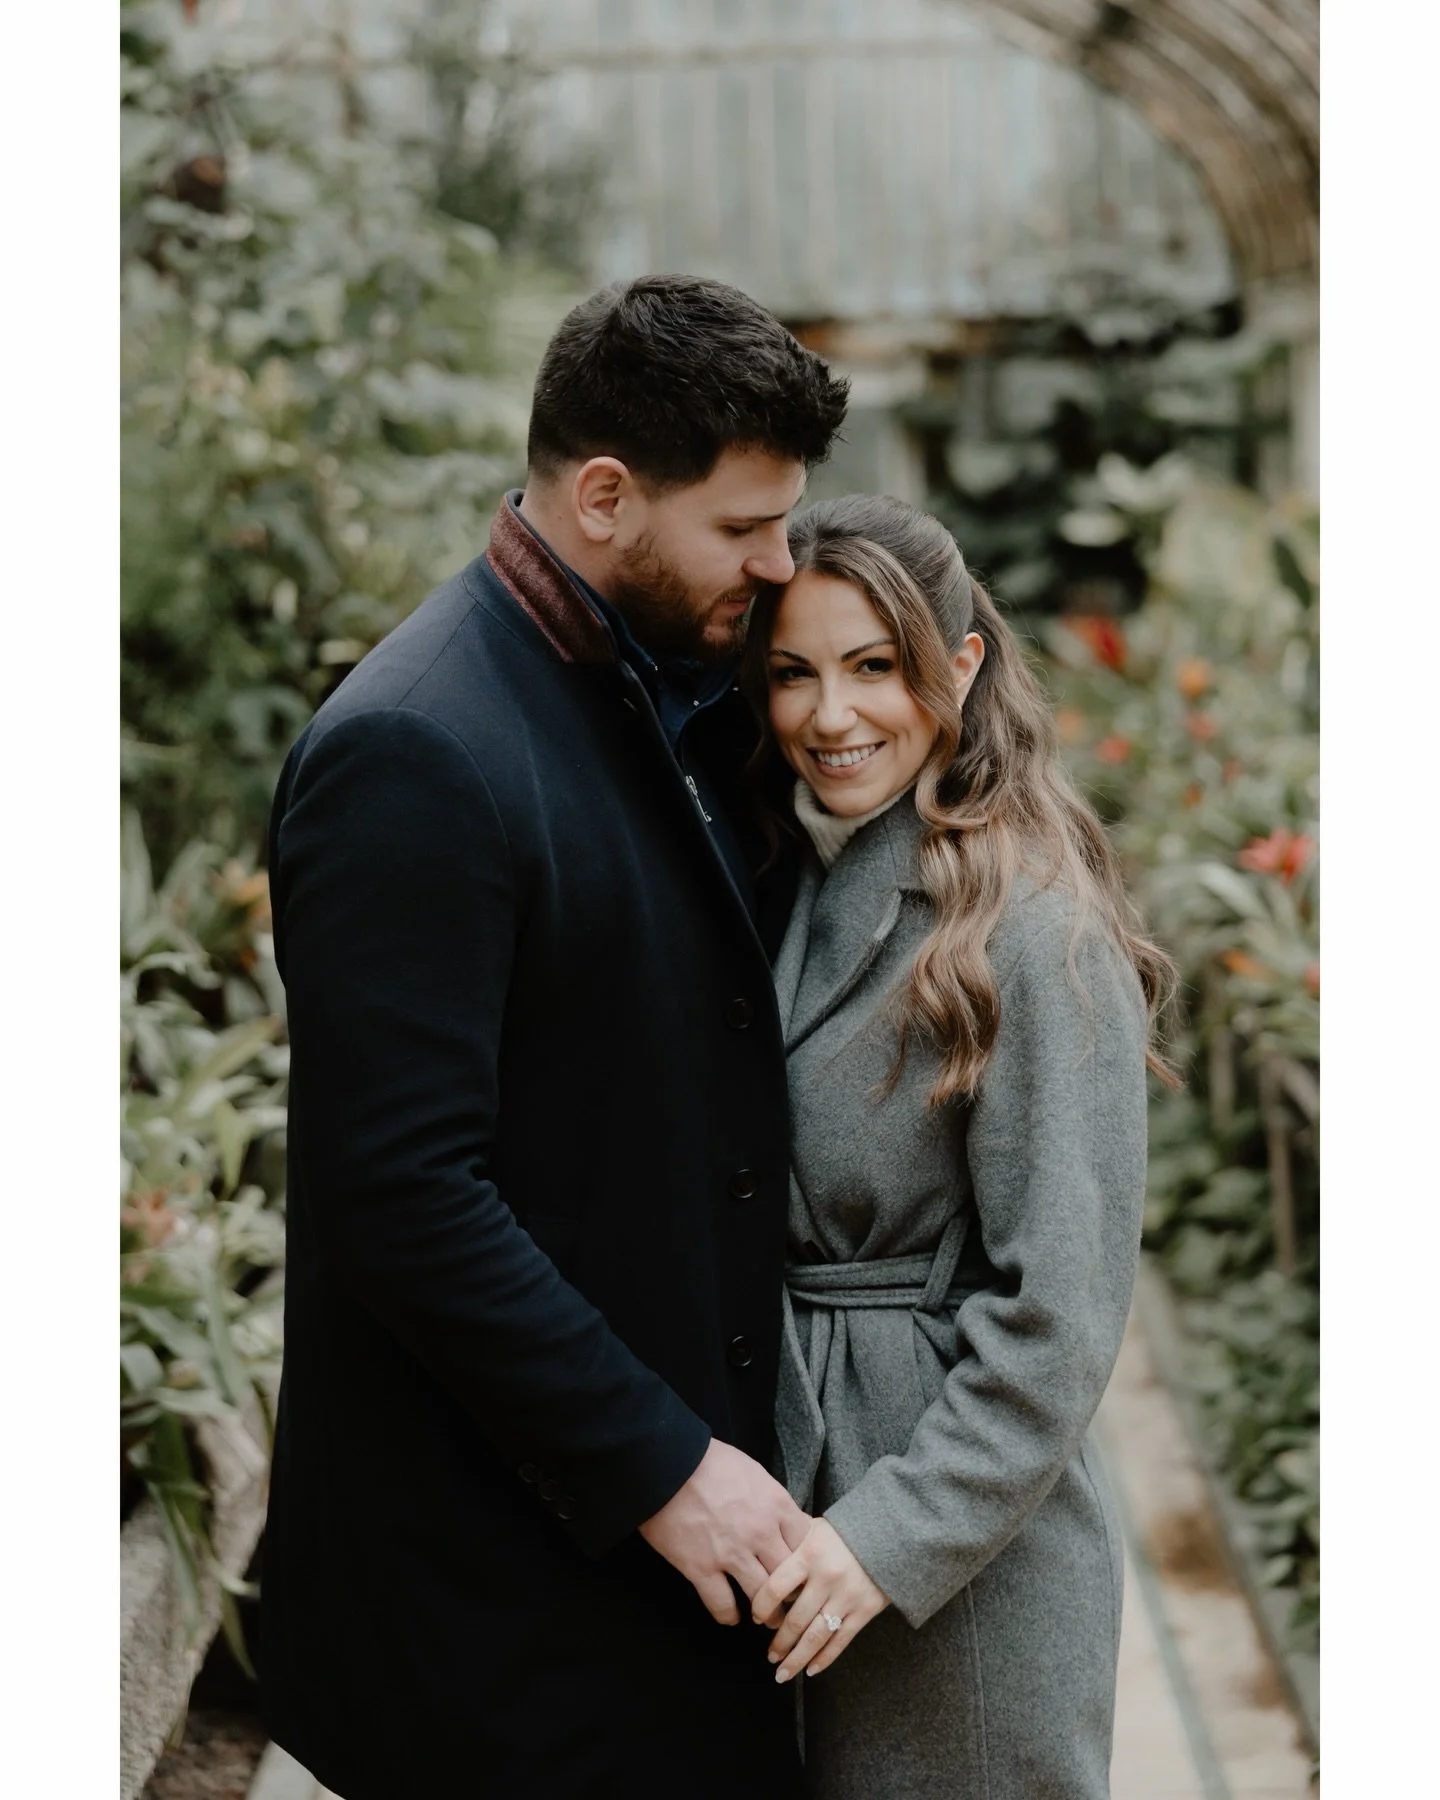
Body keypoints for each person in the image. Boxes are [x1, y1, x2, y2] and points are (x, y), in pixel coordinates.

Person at [257, 275, 849, 1798]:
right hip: (500, 1615)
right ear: (603, 497)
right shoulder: (415, 747)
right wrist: (661, 1466)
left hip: (641, 1588)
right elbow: (402, 1197)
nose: (781, 564)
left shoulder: (661, 682)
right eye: (744, 528)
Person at [739, 495, 1178, 1799]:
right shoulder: (798, 876)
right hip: (796, 1496)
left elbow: (1063, 1317)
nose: (833, 715)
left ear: (963, 663)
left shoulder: (1033, 926)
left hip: (958, 1555)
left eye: (876, 666)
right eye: (793, 673)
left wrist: (885, 1539)